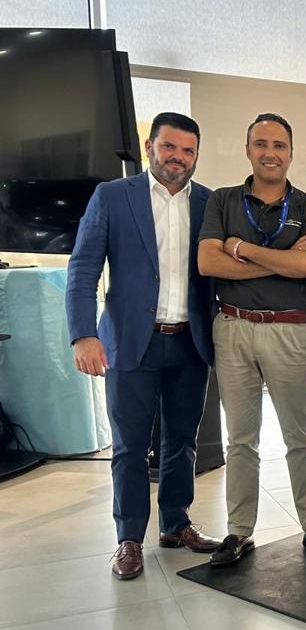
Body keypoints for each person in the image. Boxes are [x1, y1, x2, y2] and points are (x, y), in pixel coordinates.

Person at [66, 112, 222, 580]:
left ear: (197, 155)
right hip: (129, 343)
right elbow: (83, 269)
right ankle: (129, 538)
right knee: (130, 447)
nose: (179, 158)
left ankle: (175, 523)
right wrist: (83, 333)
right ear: (150, 146)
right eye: (170, 147)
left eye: (188, 151)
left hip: (189, 343)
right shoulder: (113, 197)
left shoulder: (210, 203)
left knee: (182, 441)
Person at [197, 113, 306, 566]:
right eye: (261, 144)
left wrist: (241, 248)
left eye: (279, 145)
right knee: (241, 440)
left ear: (291, 154)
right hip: (233, 328)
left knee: (301, 436)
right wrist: (281, 260)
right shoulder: (221, 200)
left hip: (290, 330)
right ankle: (239, 532)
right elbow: (208, 264)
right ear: (248, 150)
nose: (270, 152)